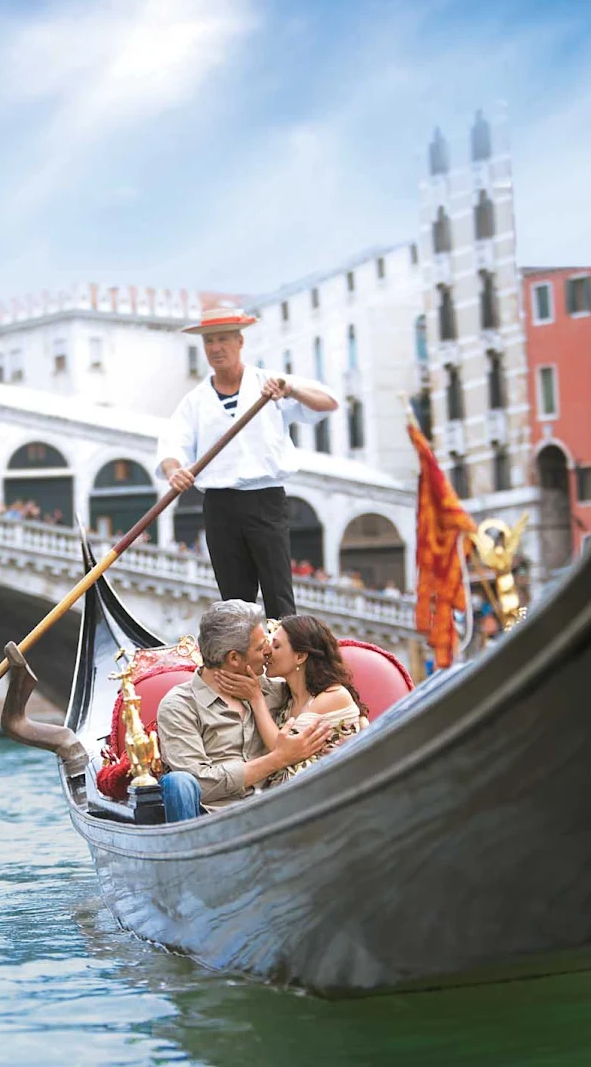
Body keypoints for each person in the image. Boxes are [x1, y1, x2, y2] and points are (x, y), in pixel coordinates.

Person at [157, 305, 338, 618]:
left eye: (223, 339)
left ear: (240, 341)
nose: (216, 348)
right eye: (209, 341)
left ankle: (283, 647)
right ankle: (242, 649)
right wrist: (175, 471)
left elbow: (328, 403)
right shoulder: (195, 400)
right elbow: (173, 443)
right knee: (234, 602)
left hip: (265, 499)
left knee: (278, 594)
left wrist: (290, 390)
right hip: (219, 505)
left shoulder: (272, 385)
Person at [155, 599, 331, 822]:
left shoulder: (275, 690)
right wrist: (278, 759)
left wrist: (359, 721)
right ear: (234, 658)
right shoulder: (179, 706)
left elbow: (326, 691)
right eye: (260, 647)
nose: (268, 651)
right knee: (178, 782)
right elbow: (200, 783)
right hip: (210, 822)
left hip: (277, 813)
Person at [233, 614, 368, 786]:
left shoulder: (333, 696)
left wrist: (255, 698)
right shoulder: (288, 696)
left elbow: (282, 751)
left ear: (300, 657)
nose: (267, 651)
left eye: (276, 646)